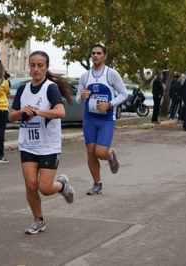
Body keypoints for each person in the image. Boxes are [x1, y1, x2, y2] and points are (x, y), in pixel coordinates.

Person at [8, 50, 75, 234]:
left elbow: (61, 112)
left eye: (40, 65)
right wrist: (22, 111)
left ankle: (62, 185)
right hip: (28, 144)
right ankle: (38, 220)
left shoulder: (50, 88)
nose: (36, 69)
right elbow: (11, 117)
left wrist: (37, 112)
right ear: (28, 67)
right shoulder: (23, 89)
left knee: (45, 188)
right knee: (31, 185)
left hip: (48, 146)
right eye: (32, 65)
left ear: (46, 67)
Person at [76, 43, 128, 195]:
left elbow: (124, 94)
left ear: (105, 56)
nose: (95, 56)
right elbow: (79, 100)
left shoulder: (111, 74)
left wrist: (110, 104)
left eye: (99, 53)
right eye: (93, 53)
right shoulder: (85, 76)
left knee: (100, 152)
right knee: (91, 152)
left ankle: (111, 155)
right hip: (89, 119)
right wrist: (82, 96)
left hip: (106, 120)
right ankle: (97, 184)